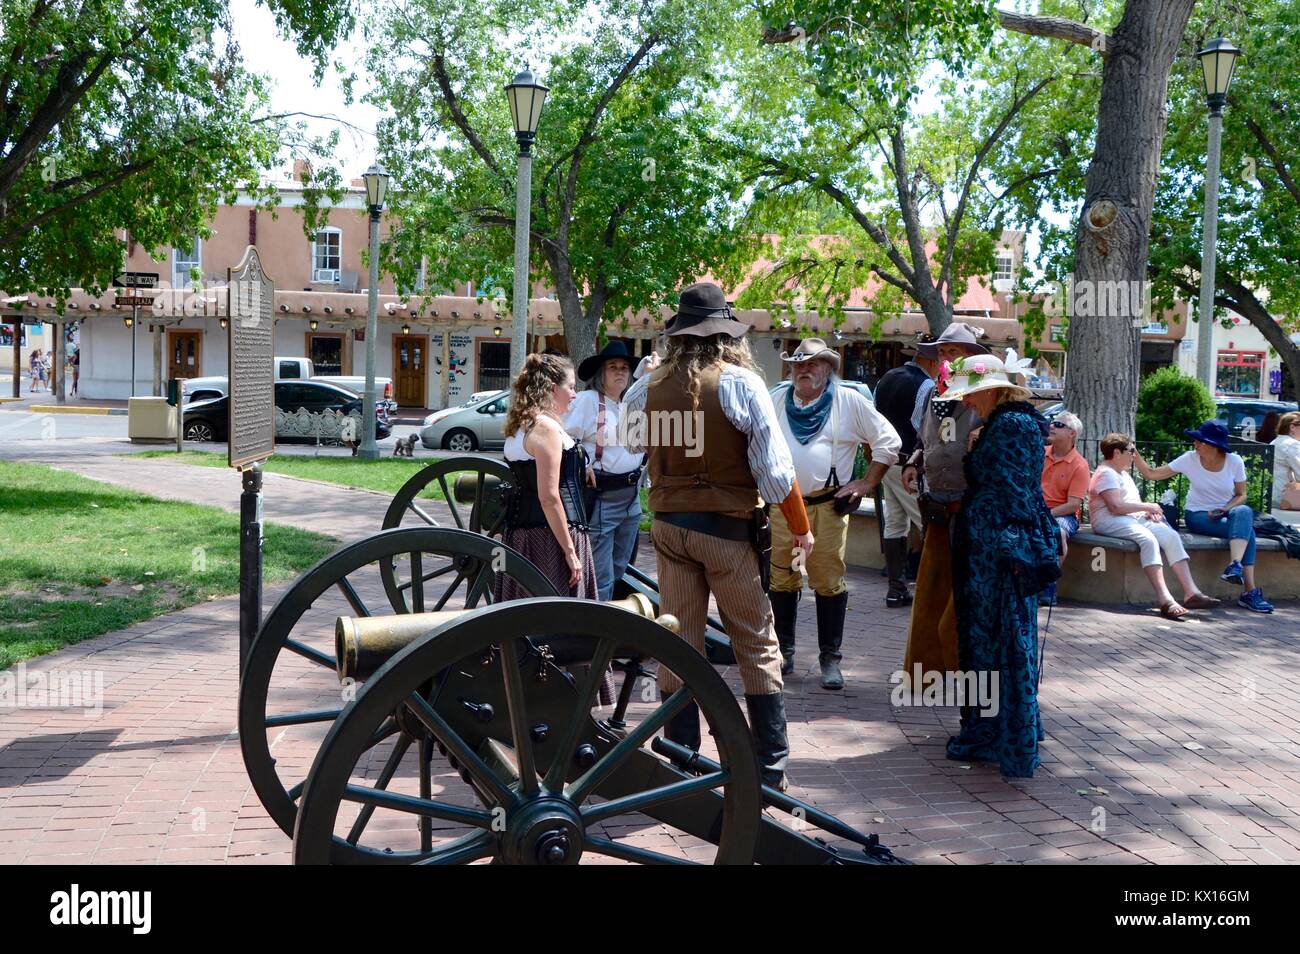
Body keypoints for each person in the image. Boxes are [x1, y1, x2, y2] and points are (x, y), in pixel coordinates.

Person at [622, 282, 812, 791]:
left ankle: (681, 753)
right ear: (726, 335)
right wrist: (801, 527)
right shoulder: (741, 384)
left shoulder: (645, 387)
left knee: (679, 640)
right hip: (726, 532)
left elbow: (630, 447)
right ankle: (770, 764)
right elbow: (774, 473)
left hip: (668, 528)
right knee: (755, 640)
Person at [943, 352, 1060, 778]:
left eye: (972, 394)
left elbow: (1016, 494)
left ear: (992, 389)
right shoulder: (1005, 423)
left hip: (997, 552)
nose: (968, 402)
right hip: (988, 549)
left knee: (1000, 641)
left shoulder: (1011, 424)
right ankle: (990, 730)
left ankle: (1001, 736)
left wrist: (1013, 547)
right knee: (990, 642)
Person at [768, 337, 900, 688]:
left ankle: (830, 659)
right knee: (783, 578)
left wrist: (867, 482)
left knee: (827, 581)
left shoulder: (849, 401)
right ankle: (784, 653)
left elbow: (889, 442)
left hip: (827, 508)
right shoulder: (776, 399)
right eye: (797, 365)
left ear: (827, 368)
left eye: (810, 364)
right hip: (783, 507)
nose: (803, 371)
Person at [898, 323, 991, 685]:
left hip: (970, 511)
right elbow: (927, 440)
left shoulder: (987, 392)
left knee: (964, 601)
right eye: (943, 352)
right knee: (932, 597)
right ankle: (930, 677)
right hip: (936, 506)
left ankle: (968, 676)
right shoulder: (929, 393)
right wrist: (914, 460)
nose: (946, 358)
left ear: (972, 356)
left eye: (955, 352)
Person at [1136, 420, 1273, 613]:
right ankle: (1249, 591)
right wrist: (1134, 454)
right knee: (1247, 532)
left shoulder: (1234, 462)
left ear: (1215, 446)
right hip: (1198, 516)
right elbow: (1151, 474)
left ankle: (1235, 565)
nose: (1196, 444)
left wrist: (1225, 509)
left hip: (1224, 513)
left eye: (1201, 441)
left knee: (1244, 511)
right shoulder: (1189, 459)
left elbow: (1241, 494)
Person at [496, 353, 598, 602]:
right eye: (571, 387)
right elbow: (550, 497)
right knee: (556, 614)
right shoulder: (546, 428)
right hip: (550, 538)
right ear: (553, 388)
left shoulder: (521, 425)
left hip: (520, 534)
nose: (575, 394)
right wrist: (570, 551)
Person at [1089, 434, 1219, 619]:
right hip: (1108, 520)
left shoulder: (1122, 473)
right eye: (1131, 451)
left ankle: (1192, 593)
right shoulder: (1106, 473)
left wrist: (1146, 512)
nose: (1134, 455)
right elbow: (1115, 507)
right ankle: (1165, 599)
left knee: (1171, 536)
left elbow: (1129, 504)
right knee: (1148, 539)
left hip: (1130, 518)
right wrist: (1147, 506)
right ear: (1117, 453)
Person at [564, 341, 645, 601]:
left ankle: (607, 616)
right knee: (601, 575)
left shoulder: (631, 403)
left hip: (631, 497)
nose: (620, 372)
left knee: (620, 566)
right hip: (602, 497)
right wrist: (584, 463)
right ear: (602, 373)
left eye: (624, 368)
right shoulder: (588, 402)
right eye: (613, 367)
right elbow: (562, 438)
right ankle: (597, 629)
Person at [872, 336, 936, 607]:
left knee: (896, 522)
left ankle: (896, 589)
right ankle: (930, 589)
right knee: (928, 523)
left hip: (885, 461)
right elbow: (924, 426)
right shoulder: (926, 385)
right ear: (931, 360)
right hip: (908, 464)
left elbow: (873, 417)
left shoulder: (887, 377)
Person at [1039, 410, 1089, 605]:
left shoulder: (1080, 465)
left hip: (1063, 514)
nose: (1052, 426)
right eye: (1052, 422)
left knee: (1057, 532)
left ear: (1072, 434)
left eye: (1059, 425)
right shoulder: (1039, 454)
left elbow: (1073, 505)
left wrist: (1046, 515)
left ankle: (1049, 584)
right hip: (1036, 509)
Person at [1270, 411, 1300, 509]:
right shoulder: (1292, 445)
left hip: (1272, 495)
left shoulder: (1275, 442)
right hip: (1285, 498)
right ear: (1292, 427)